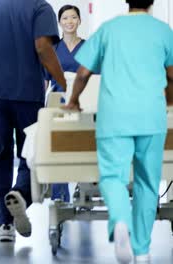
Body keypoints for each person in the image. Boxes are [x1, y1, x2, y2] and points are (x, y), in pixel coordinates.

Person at [63, 0, 173, 263]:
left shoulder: (109, 29)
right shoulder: (163, 31)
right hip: (151, 116)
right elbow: (172, 75)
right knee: (148, 182)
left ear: (127, 1)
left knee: (113, 176)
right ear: (152, 2)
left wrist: (74, 100)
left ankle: (120, 221)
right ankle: (143, 251)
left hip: (114, 116)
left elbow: (83, 72)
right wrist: (168, 101)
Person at [0, 0, 66, 242]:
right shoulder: (40, 8)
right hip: (26, 93)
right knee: (30, 151)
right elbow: (43, 47)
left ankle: (5, 223)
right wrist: (64, 84)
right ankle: (20, 194)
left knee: (0, 155)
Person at [47, 4, 85, 202]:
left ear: (79, 20)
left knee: (83, 145)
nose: (70, 21)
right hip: (57, 101)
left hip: (83, 101)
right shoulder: (52, 49)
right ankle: (60, 196)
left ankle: (83, 190)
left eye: (73, 17)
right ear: (60, 23)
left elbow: (96, 77)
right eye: (65, 18)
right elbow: (44, 80)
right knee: (59, 148)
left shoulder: (89, 47)